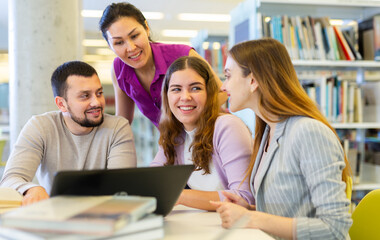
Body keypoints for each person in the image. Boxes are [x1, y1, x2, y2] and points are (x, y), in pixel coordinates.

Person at [210, 38, 352, 239]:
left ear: (253, 81)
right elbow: (291, 209)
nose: (223, 87)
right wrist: (249, 209)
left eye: (228, 76)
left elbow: (334, 228)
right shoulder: (268, 131)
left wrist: (252, 219)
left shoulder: (309, 132)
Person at [0, 61, 137, 205]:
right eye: (85, 96)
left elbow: (121, 188)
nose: (96, 102)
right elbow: (10, 179)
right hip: (54, 218)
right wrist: (32, 189)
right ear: (61, 104)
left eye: (99, 93)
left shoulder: (118, 127)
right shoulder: (40, 126)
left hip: (103, 216)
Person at [99, 2, 227, 128]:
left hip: (212, 131)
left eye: (134, 36)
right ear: (110, 46)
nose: (131, 48)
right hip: (172, 142)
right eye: (119, 43)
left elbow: (223, 92)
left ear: (146, 29)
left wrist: (185, 123)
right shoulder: (119, 70)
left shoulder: (183, 54)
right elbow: (123, 119)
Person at [150, 56, 253, 210]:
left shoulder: (227, 126)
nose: (185, 97)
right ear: (167, 95)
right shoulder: (175, 133)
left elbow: (242, 198)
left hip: (234, 226)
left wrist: (179, 195)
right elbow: (151, 181)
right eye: (176, 89)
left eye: (195, 88)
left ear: (209, 93)